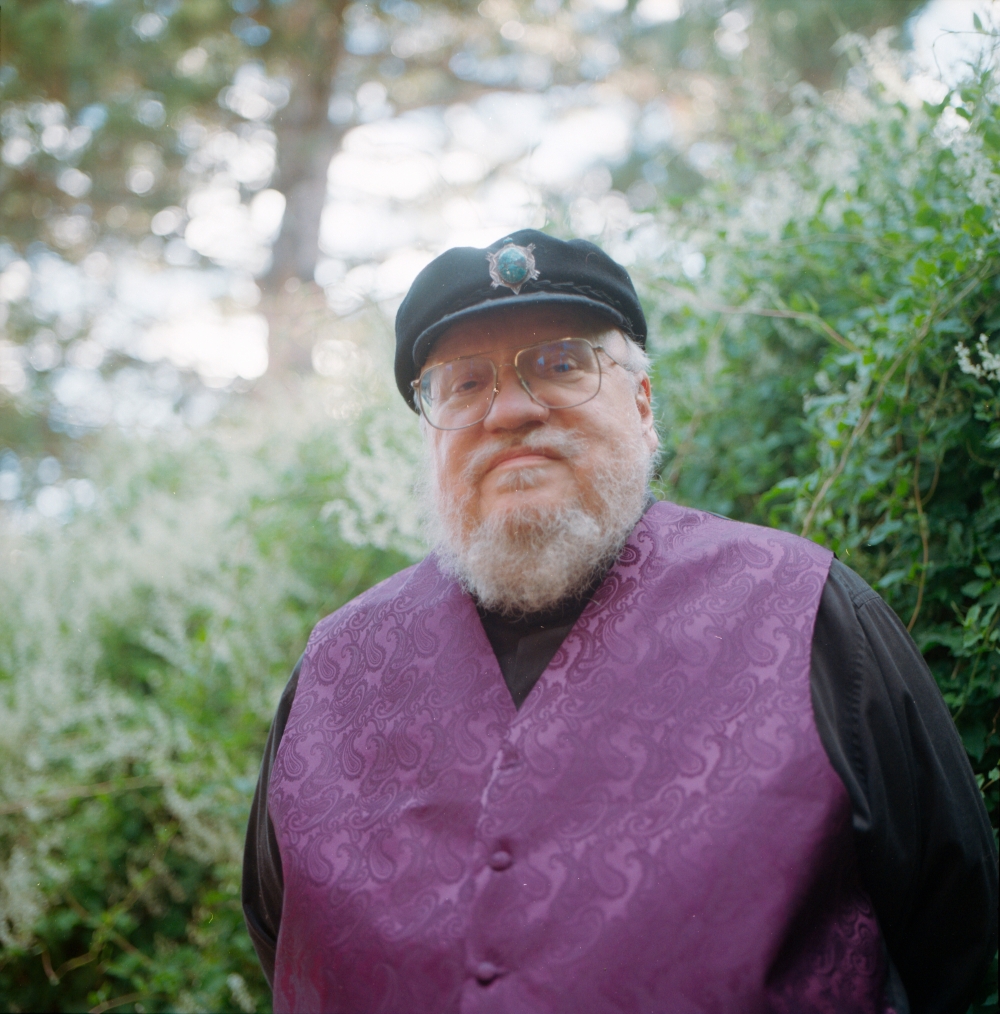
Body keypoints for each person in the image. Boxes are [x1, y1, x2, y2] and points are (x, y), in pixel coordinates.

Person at [243, 230, 997, 1014]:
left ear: (641, 403)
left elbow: (951, 924)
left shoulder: (810, 610)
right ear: (431, 434)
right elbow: (289, 943)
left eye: (561, 364)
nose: (510, 410)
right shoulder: (332, 675)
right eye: (465, 384)